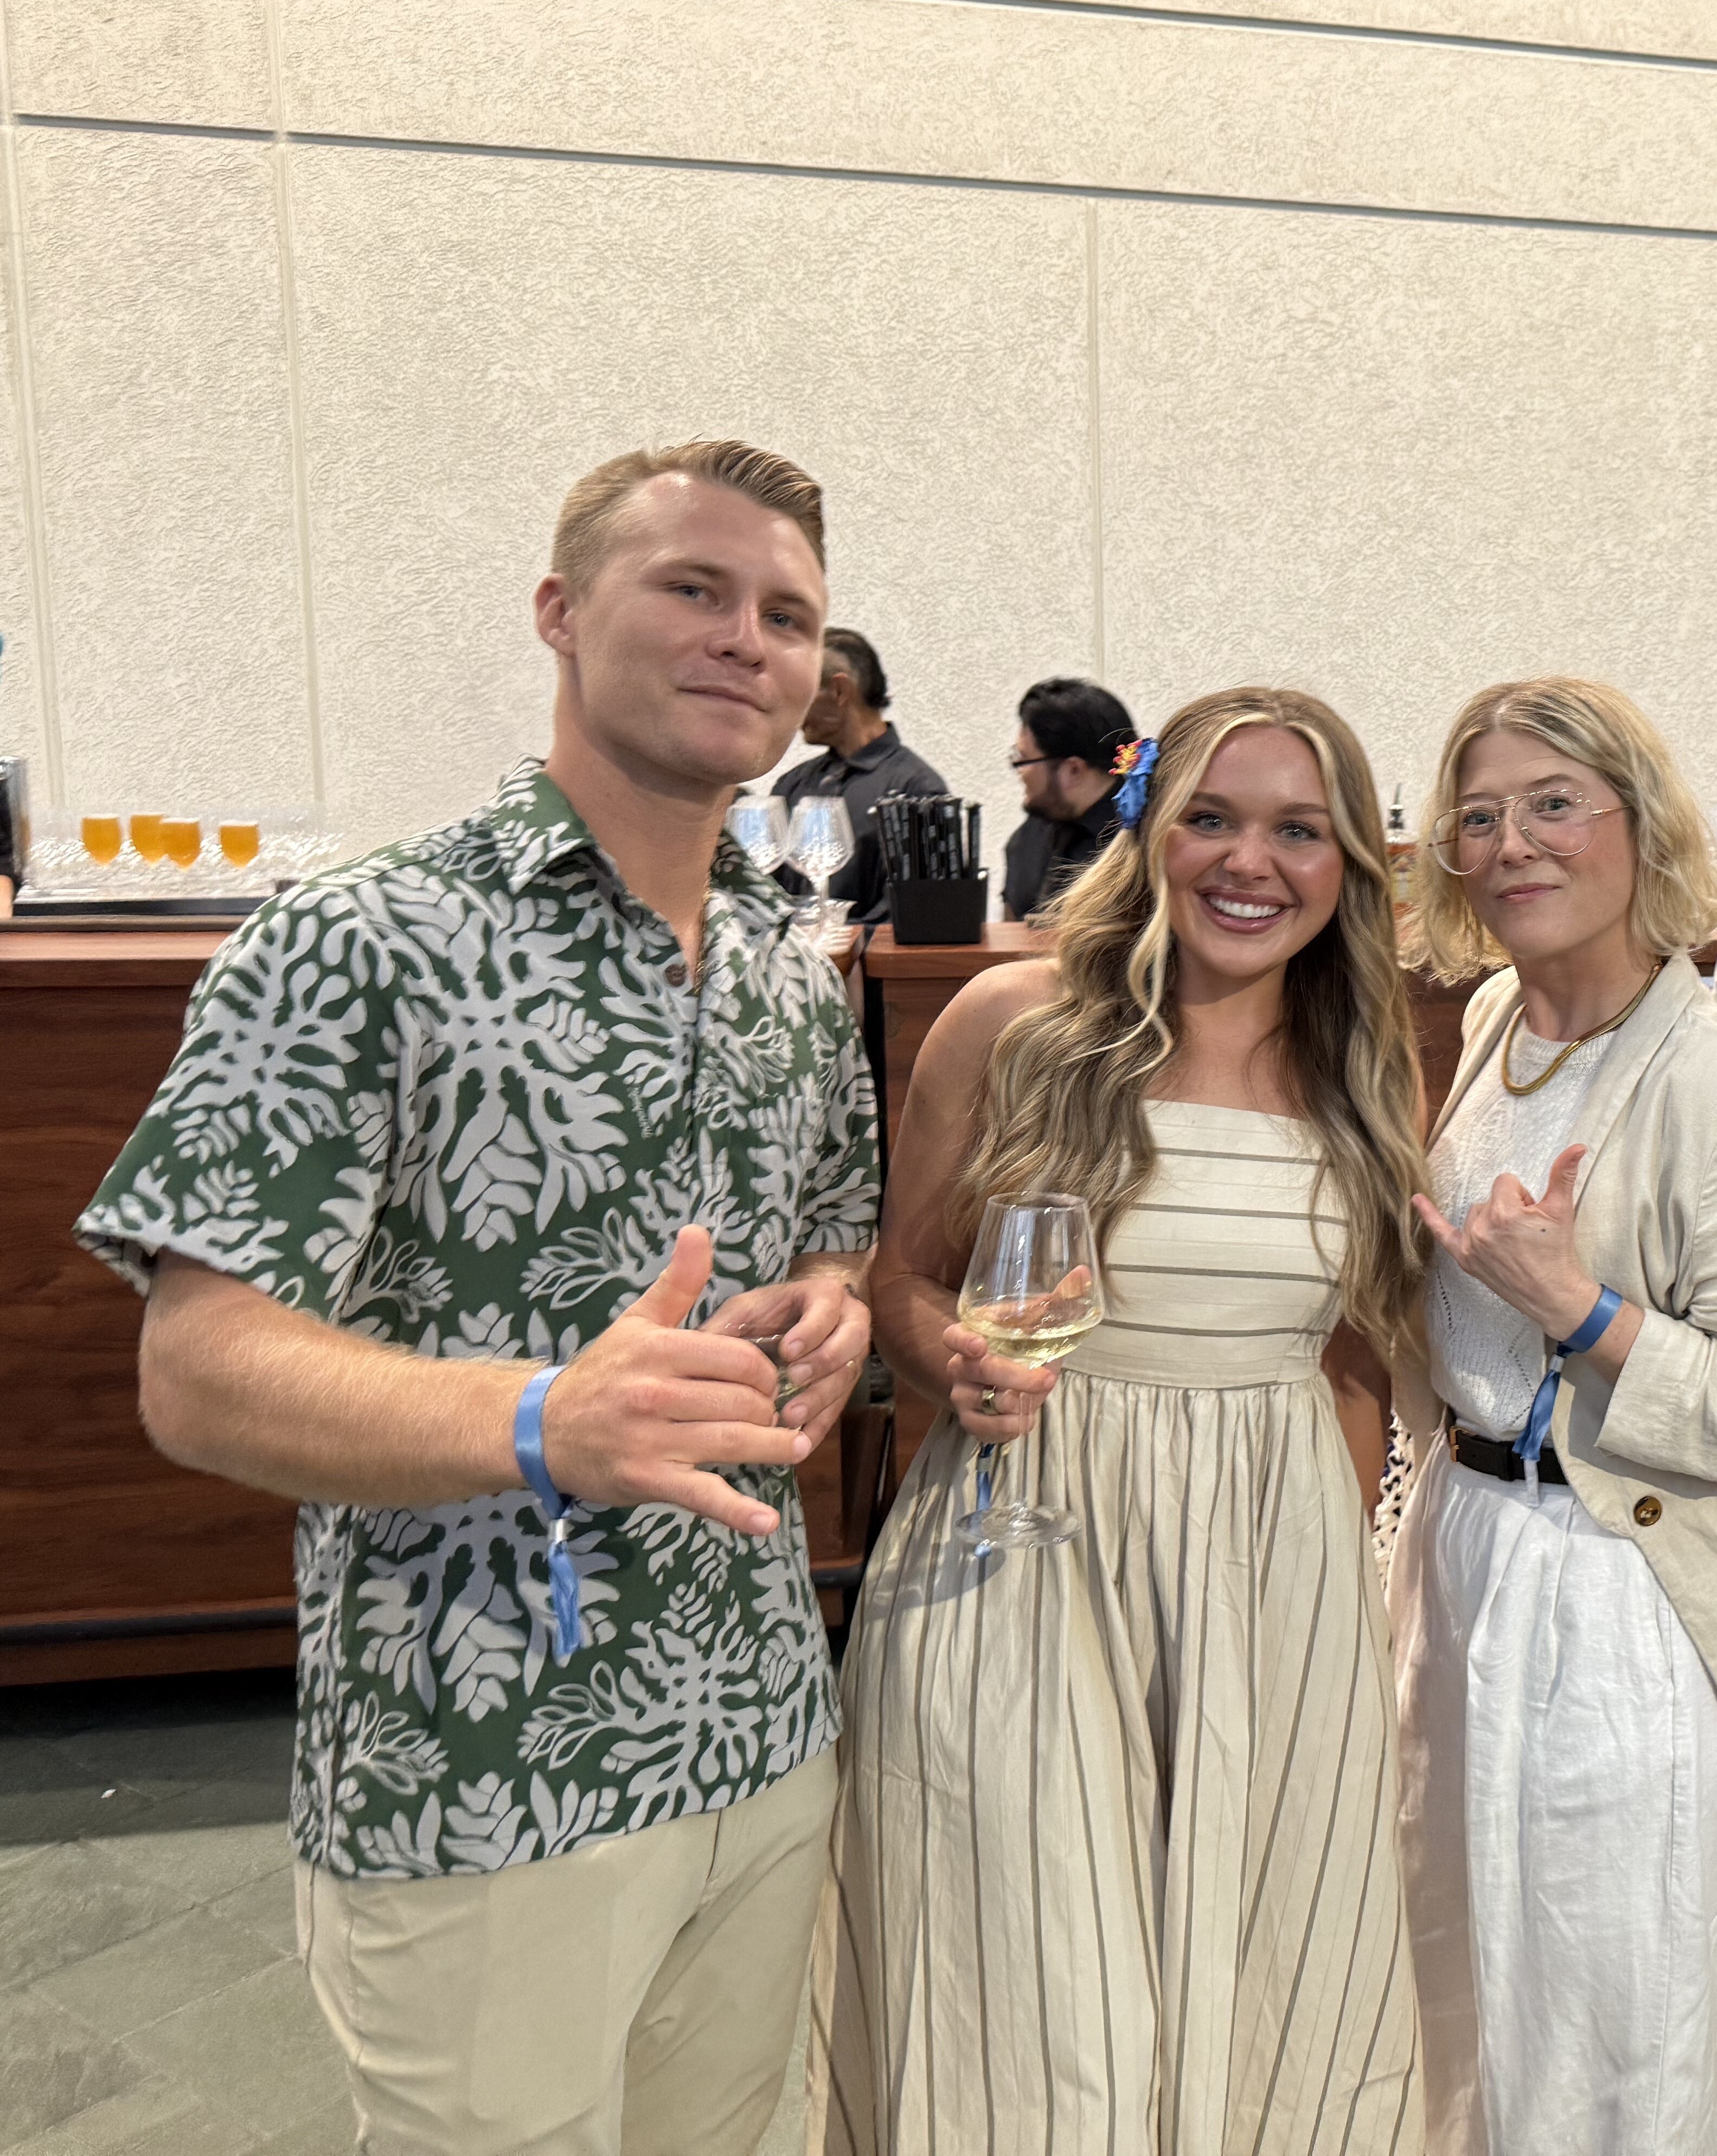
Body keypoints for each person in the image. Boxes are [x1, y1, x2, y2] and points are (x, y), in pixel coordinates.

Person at [74, 439, 882, 2154]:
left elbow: (831, 1239)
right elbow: (197, 1369)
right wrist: (536, 1419)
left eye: (788, 614)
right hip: (482, 1760)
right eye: (693, 588)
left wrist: (838, 1310)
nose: (748, 637)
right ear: (558, 612)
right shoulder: (361, 937)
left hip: (755, 1725)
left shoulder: (790, 976)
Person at [813, 686, 1426, 2153]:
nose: (1249, 861)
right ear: (1147, 828)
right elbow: (904, 1277)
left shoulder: (1362, 1062)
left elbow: (1351, 1360)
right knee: (1031, 2008)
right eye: (1210, 816)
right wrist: (946, 1353)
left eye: (1299, 827)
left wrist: (1329, 1610)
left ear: (1350, 862)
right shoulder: (1016, 1019)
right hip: (1024, 1548)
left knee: (1269, 1983)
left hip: (1269, 1580)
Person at [1392, 675, 1717, 2156]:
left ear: (1638, 823)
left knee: (1614, 2024)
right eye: (1478, 812)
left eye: (1551, 803)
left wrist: (1585, 1312)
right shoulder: (1492, 1025)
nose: (1511, 840)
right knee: (1466, 1997)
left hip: (1624, 1587)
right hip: (1464, 1554)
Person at [774, 625, 947, 921]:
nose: (789, 705)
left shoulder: (917, 791)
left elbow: (912, 919)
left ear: (840, 691)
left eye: (801, 690)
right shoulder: (793, 784)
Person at [1002, 674, 1135, 919]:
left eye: (1024, 759)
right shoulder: (1026, 840)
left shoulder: (1144, 841)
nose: (1019, 771)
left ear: (1074, 770)